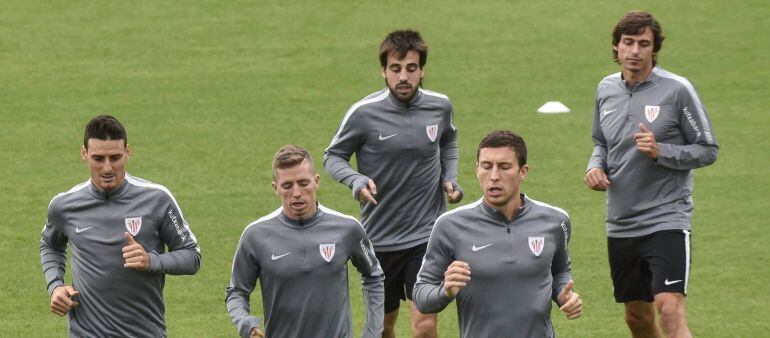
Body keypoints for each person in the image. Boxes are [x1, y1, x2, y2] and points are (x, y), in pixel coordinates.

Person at [584, 11, 718, 338]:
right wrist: (594, 166)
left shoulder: (677, 90)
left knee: (670, 310)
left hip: (667, 219)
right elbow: (601, 141)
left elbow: (707, 149)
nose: (635, 51)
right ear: (615, 47)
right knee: (637, 318)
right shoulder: (606, 89)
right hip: (621, 222)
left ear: (654, 49)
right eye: (628, 42)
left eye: (644, 44)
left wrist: (663, 152)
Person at [324, 29, 461, 338]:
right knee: (384, 328)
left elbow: (449, 139)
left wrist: (449, 177)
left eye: (411, 68)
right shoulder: (363, 114)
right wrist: (355, 180)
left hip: (426, 235)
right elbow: (333, 157)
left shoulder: (440, 106)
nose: (403, 77)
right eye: (395, 69)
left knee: (425, 326)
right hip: (379, 239)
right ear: (383, 71)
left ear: (422, 70)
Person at [40, 115, 201, 337]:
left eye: (115, 157)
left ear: (127, 152)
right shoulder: (64, 206)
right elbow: (50, 245)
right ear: (84, 154)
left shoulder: (157, 199)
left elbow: (192, 256)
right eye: (98, 158)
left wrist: (151, 261)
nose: (107, 168)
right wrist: (55, 285)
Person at [413, 130, 582, 337]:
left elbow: (560, 271)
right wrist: (445, 291)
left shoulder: (556, 221)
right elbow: (421, 296)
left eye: (504, 167)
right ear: (477, 170)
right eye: (486, 166)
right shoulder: (450, 226)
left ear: (523, 172)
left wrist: (565, 295)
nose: (493, 176)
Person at [226, 145, 384, 338]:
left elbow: (373, 276)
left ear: (316, 181)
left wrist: (372, 333)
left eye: (303, 183)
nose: (297, 193)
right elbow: (236, 291)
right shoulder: (256, 235)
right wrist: (245, 323)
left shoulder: (347, 228)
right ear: (275, 188)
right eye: (287, 185)